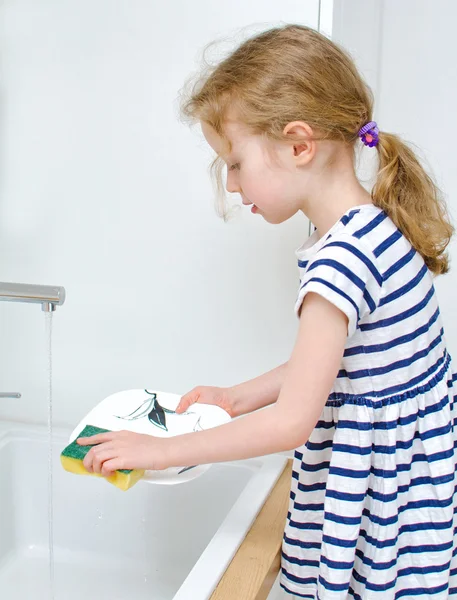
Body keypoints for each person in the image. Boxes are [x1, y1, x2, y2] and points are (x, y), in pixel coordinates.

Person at [78, 25, 457, 599]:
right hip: (415, 494)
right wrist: (237, 397)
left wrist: (160, 451)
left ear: (299, 144)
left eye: (234, 163)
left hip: (383, 511)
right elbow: (352, 365)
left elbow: (292, 422)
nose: (231, 185)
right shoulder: (378, 226)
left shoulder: (339, 266)